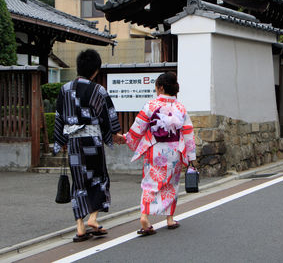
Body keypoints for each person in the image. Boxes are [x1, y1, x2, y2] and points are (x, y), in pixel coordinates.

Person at [115, 72, 196, 236]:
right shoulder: (180, 108)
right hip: (175, 150)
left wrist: (126, 138)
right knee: (171, 184)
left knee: (150, 183)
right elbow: (188, 132)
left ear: (160, 87)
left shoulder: (151, 105)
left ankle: (145, 217)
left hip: (156, 149)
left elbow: (139, 127)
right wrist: (191, 157)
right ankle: (170, 219)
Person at [53, 49, 121, 242]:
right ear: (96, 70)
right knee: (98, 178)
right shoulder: (98, 90)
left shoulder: (64, 90)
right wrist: (115, 135)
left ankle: (80, 227)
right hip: (93, 141)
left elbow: (59, 117)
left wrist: (61, 141)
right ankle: (93, 218)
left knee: (79, 183)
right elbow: (108, 116)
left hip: (74, 142)